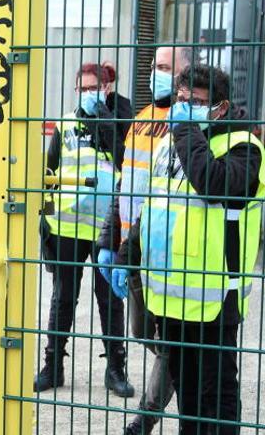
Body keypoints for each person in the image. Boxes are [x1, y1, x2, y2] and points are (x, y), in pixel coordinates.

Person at [114, 64, 262, 435]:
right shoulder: (173, 140)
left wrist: (185, 129)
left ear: (221, 108)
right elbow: (155, 203)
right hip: (171, 297)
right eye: (181, 99)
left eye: (195, 102)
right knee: (188, 403)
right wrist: (125, 255)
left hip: (214, 302)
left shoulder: (243, 146)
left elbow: (213, 183)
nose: (184, 107)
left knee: (215, 402)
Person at [98, 46, 194, 434]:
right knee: (146, 335)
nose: (157, 73)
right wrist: (110, 240)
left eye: (167, 67)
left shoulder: (187, 122)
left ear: (186, 73)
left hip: (167, 251)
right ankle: (187, 368)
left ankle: (145, 418)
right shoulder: (140, 120)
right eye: (155, 66)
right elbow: (126, 183)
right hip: (132, 248)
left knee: (169, 342)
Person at [35, 62, 135, 397]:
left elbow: (129, 165)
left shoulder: (121, 122)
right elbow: (49, 173)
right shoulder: (66, 123)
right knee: (63, 297)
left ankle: (116, 368)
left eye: (94, 88)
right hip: (66, 226)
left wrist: (108, 124)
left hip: (108, 226)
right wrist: (44, 221)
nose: (88, 94)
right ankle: (53, 366)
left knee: (109, 299)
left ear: (106, 90)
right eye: (83, 89)